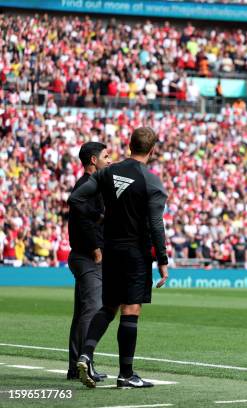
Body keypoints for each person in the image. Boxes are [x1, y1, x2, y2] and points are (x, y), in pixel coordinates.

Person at [69, 127, 169, 389]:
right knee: (131, 309)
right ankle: (126, 374)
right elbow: (156, 224)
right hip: (136, 252)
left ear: (129, 145)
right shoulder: (152, 181)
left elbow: (76, 198)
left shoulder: (106, 173)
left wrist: (101, 218)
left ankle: (85, 354)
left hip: (111, 250)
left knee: (108, 306)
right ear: (152, 149)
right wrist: (162, 259)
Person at [67, 141, 111, 382]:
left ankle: (76, 366)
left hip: (83, 255)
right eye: (106, 156)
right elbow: (82, 220)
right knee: (92, 311)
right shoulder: (88, 186)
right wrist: (96, 248)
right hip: (87, 257)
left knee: (82, 313)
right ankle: (86, 363)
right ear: (93, 161)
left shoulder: (90, 185)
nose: (110, 159)